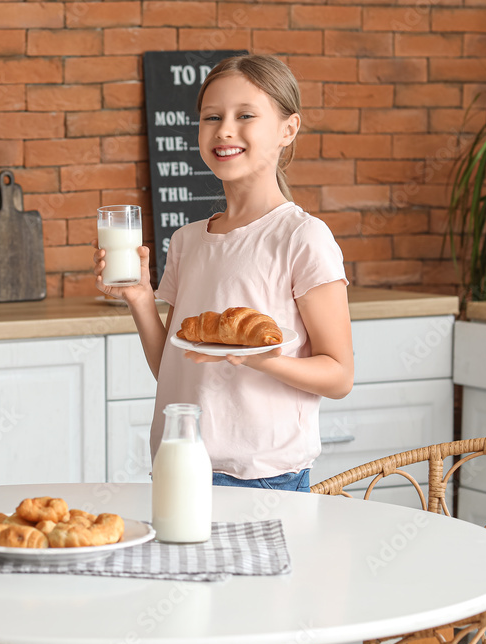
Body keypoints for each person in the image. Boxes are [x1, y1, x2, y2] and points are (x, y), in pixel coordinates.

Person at [94, 55, 354, 491]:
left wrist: (264, 360)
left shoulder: (302, 237)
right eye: (211, 117)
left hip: (261, 475)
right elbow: (176, 368)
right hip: (180, 465)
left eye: (245, 115)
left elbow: (339, 376)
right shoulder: (187, 240)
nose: (224, 130)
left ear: (288, 130)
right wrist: (141, 300)